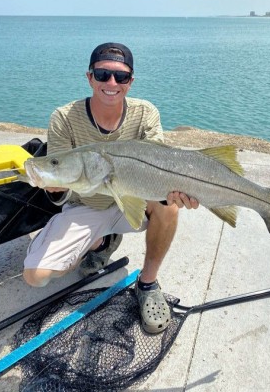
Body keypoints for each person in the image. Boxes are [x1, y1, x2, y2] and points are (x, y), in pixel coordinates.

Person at [23, 42, 198, 334]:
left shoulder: (145, 114)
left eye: (121, 76)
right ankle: (101, 241)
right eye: (103, 74)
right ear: (90, 77)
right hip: (86, 205)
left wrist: (177, 190)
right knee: (35, 276)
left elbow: (161, 165)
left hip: (133, 200)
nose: (112, 83)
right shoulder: (64, 118)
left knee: (169, 206)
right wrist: (54, 186)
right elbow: (60, 172)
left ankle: (148, 283)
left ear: (131, 82)